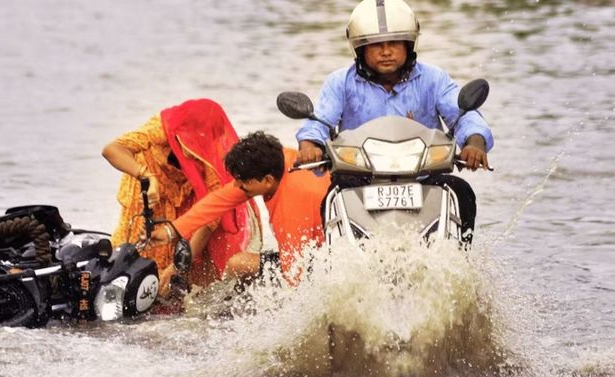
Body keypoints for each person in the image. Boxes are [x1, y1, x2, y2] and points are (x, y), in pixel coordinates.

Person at [296, 0, 494, 241]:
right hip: (359, 177)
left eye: (394, 43)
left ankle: (460, 264)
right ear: (360, 48)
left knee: (460, 191)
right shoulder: (340, 82)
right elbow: (320, 121)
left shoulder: (433, 78)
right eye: (376, 45)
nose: (386, 51)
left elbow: (463, 114)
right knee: (332, 197)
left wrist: (475, 143)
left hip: (423, 176)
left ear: (409, 45)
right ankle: (335, 261)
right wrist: (309, 145)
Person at [102, 99, 261, 298]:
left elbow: (212, 214)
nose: (200, 142)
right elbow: (112, 150)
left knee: (180, 264)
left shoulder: (211, 146)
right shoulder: (162, 127)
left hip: (189, 195)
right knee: (135, 249)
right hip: (148, 191)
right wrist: (146, 176)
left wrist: (178, 267)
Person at [149, 131, 331, 283]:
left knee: (239, 265)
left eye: (242, 181)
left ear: (267, 180)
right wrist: (171, 230)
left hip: (320, 262)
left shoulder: (290, 210)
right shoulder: (282, 160)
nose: (236, 186)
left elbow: (294, 273)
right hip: (314, 246)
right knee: (240, 264)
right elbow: (218, 201)